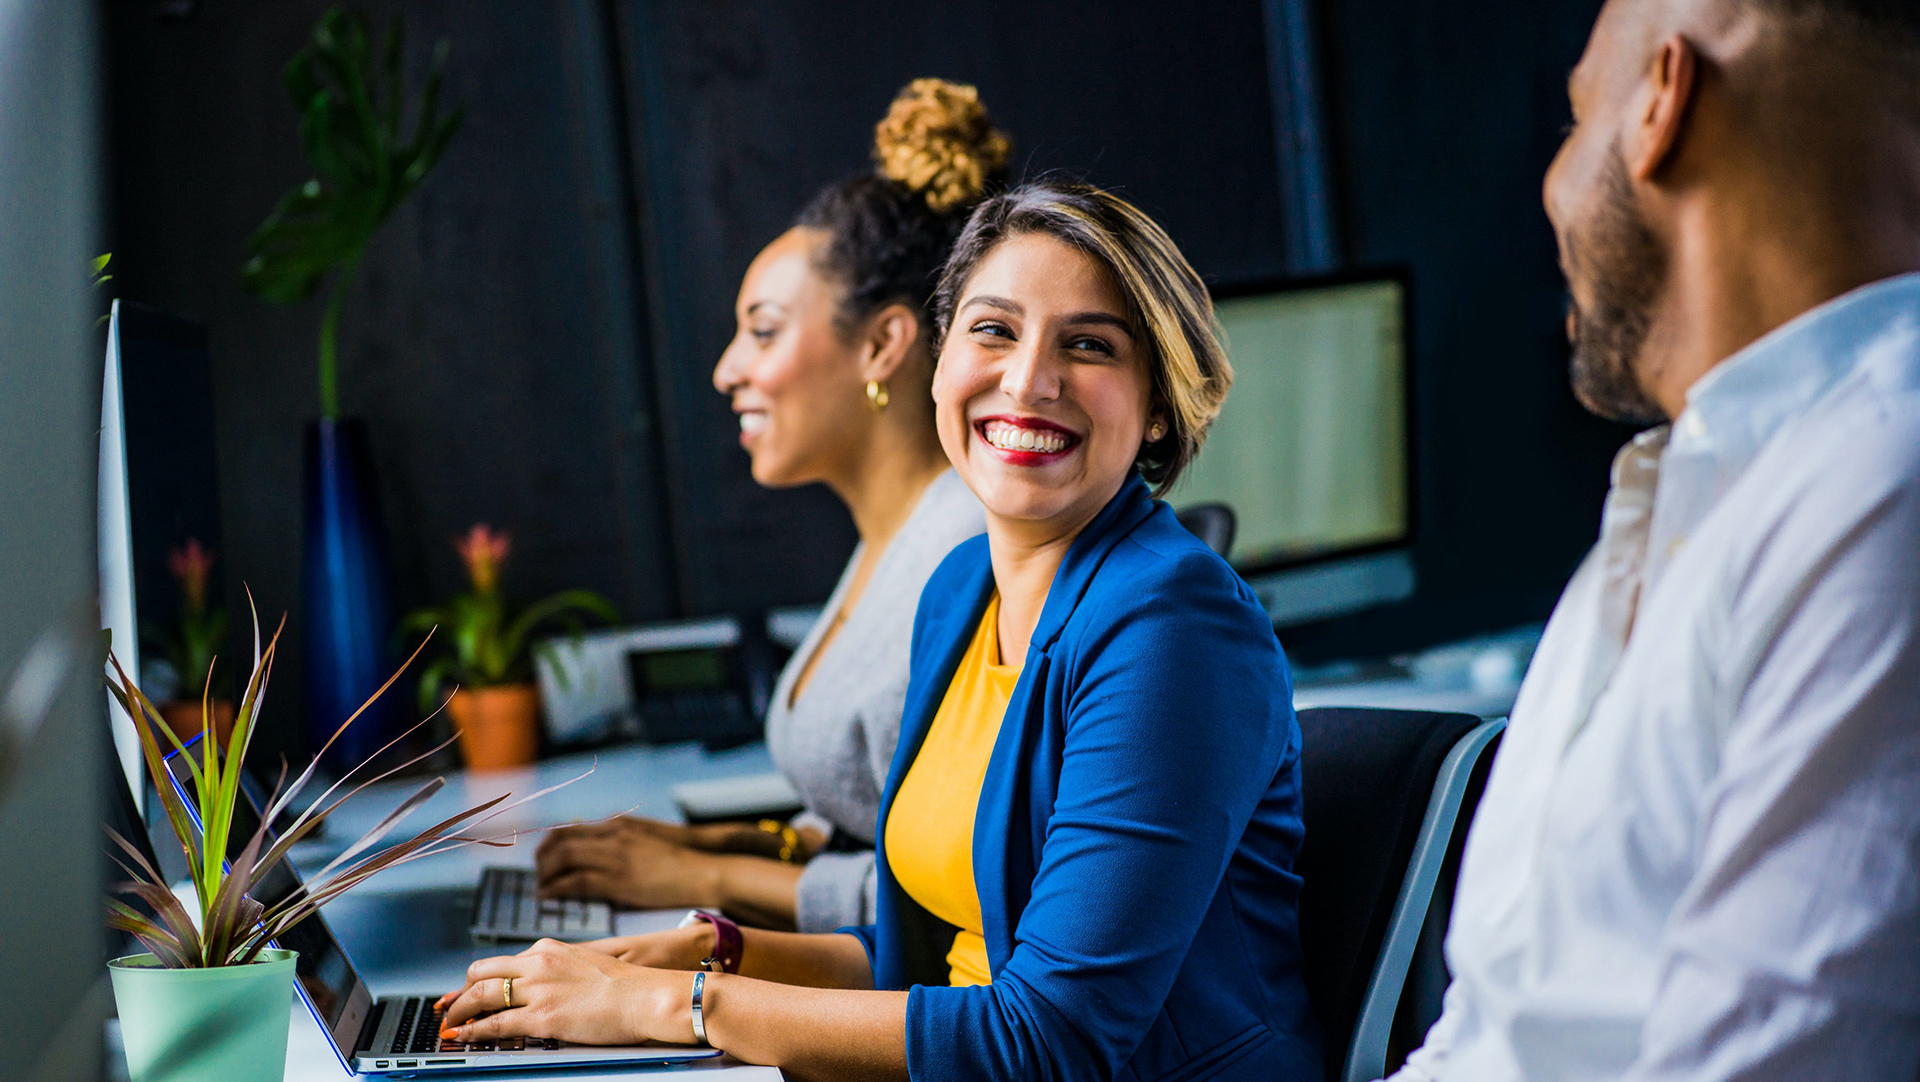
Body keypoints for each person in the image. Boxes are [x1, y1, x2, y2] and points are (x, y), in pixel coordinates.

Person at [436, 180, 1326, 1081]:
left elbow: (1049, 1040)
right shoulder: (959, 591)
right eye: (993, 330)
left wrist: (680, 1006)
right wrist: (710, 955)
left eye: (1088, 345)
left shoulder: (1172, 631)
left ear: (1161, 407)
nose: (1028, 379)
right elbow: (923, 967)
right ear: (938, 365)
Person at [1389, 1, 1920, 1079]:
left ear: (1661, 102)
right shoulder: (1678, 502)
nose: (1550, 185)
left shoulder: (1880, 486)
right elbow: (1495, 1034)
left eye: (1573, 118)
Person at [533, 79, 997, 932]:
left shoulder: (963, 558)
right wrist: (723, 847)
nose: (727, 369)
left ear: (883, 342)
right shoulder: (891, 541)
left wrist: (702, 880)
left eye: (765, 329)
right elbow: (875, 822)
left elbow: (947, 903)